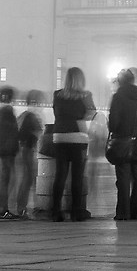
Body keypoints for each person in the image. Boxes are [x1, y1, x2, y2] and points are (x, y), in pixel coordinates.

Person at [106, 68, 137, 221]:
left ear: (120, 81)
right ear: (132, 80)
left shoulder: (118, 96)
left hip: (122, 141)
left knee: (123, 178)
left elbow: (114, 122)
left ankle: (123, 213)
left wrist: (117, 129)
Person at [48, 67, 96, 220]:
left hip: (59, 136)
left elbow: (56, 112)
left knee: (60, 175)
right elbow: (91, 113)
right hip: (78, 137)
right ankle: (76, 211)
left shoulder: (57, 95)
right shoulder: (86, 95)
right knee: (77, 176)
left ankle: (55, 211)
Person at [0, 85, 25, 220]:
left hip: (1, 150)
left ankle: (2, 208)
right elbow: (12, 133)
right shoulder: (7, 113)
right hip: (8, 151)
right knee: (7, 181)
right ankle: (2, 209)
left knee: (5, 180)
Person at [15, 89, 44, 216]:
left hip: (23, 150)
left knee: (28, 179)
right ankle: (23, 207)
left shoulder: (23, 115)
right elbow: (37, 133)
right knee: (28, 179)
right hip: (27, 150)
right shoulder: (31, 116)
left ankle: (24, 206)